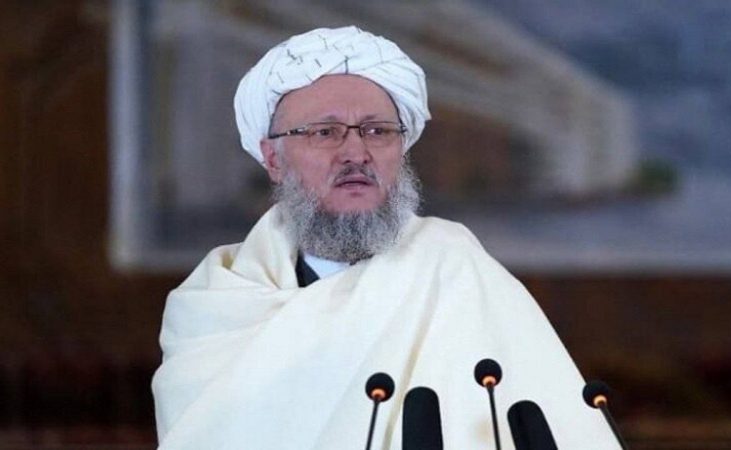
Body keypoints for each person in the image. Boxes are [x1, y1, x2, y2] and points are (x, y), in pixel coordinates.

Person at [152, 26, 620, 449]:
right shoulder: (215, 306)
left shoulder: (459, 274)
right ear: (273, 158)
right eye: (325, 132)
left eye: (377, 131)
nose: (356, 152)